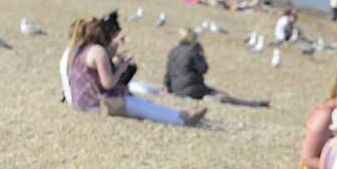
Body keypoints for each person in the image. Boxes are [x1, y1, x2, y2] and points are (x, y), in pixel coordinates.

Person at [66, 16, 206, 126]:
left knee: (139, 102)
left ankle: (181, 114)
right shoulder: (97, 50)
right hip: (97, 105)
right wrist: (121, 69)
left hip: (80, 102)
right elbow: (108, 83)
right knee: (141, 106)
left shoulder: (79, 50)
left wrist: (116, 57)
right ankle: (182, 119)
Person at [164, 31, 269, 107]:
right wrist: (201, 55)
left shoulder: (173, 50)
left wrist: (168, 87)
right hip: (191, 89)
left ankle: (253, 103)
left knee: (211, 92)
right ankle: (253, 104)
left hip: (175, 88)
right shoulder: (193, 50)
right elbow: (203, 69)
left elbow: (167, 74)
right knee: (219, 94)